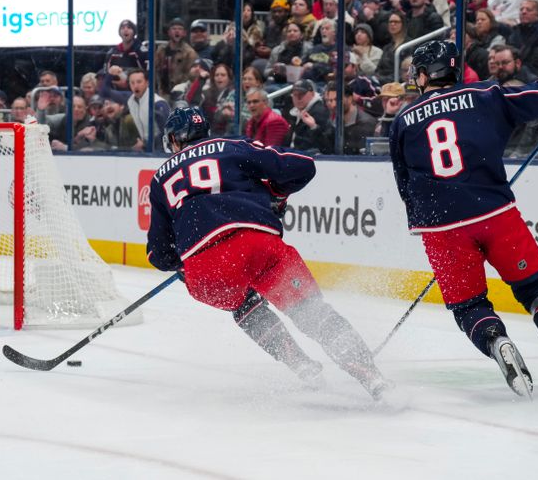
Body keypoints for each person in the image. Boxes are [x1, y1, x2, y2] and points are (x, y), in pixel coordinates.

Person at [387, 40, 538, 397]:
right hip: (494, 212)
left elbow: (404, 184)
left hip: (441, 227)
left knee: (469, 306)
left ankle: (497, 343)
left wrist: (428, 227)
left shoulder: (401, 120)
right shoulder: (486, 94)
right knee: (536, 290)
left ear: (422, 74)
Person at [146, 106, 388, 400]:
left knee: (243, 304)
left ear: (175, 139)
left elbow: (158, 254)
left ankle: (300, 365)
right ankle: (373, 378)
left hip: (206, 271)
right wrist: (275, 193)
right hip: (257, 247)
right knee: (311, 312)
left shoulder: (160, 178)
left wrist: (185, 266)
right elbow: (302, 167)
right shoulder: (235, 147)